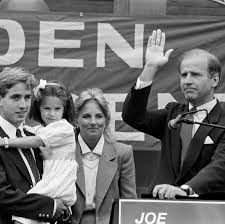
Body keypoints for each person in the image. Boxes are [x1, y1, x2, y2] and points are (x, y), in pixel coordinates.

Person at [122, 29, 225, 199]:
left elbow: (220, 166)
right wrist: (151, 67)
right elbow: (133, 117)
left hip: (206, 208)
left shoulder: (223, 120)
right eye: (184, 75)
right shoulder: (172, 113)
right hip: (161, 205)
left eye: (195, 75)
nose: (187, 80)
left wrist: (186, 189)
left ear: (214, 80)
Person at [0, 78, 78, 224]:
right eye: (15, 97)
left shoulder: (36, 136)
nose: (23, 105)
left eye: (27, 97)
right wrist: (52, 207)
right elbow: (3, 195)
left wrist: (62, 211)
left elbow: (61, 205)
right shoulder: (36, 132)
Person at [70, 88, 137, 224]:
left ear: (106, 121)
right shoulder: (65, 152)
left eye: (99, 116)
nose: (93, 122)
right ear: (76, 120)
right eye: (86, 116)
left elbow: (129, 205)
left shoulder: (123, 153)